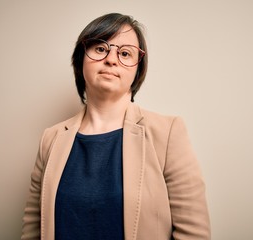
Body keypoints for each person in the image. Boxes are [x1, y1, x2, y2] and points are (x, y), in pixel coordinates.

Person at [21, 13, 210, 240]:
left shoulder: (168, 133)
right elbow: (33, 230)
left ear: (137, 71)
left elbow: (194, 234)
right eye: (101, 48)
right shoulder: (50, 139)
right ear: (81, 58)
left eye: (125, 53)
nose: (111, 59)